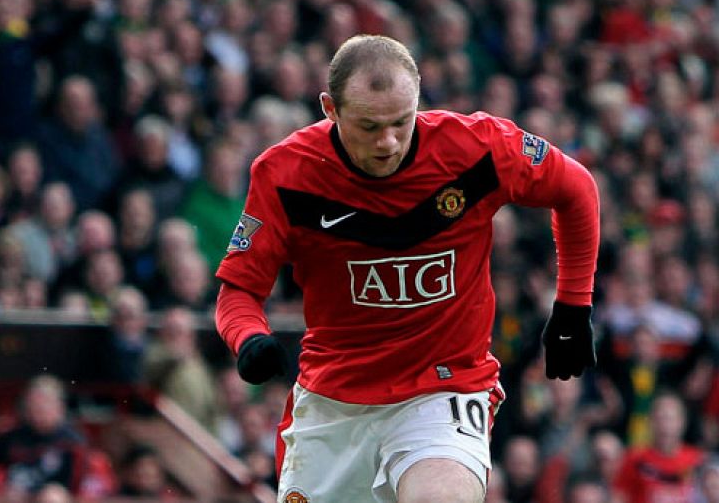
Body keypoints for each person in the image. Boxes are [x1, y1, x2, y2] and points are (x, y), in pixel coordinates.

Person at [214, 34, 600, 503]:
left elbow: (576, 188)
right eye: (369, 126)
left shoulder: (477, 148)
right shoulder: (284, 173)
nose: (388, 142)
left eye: (402, 121)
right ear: (330, 109)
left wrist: (573, 305)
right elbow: (238, 290)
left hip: (445, 387)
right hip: (335, 401)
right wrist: (249, 338)